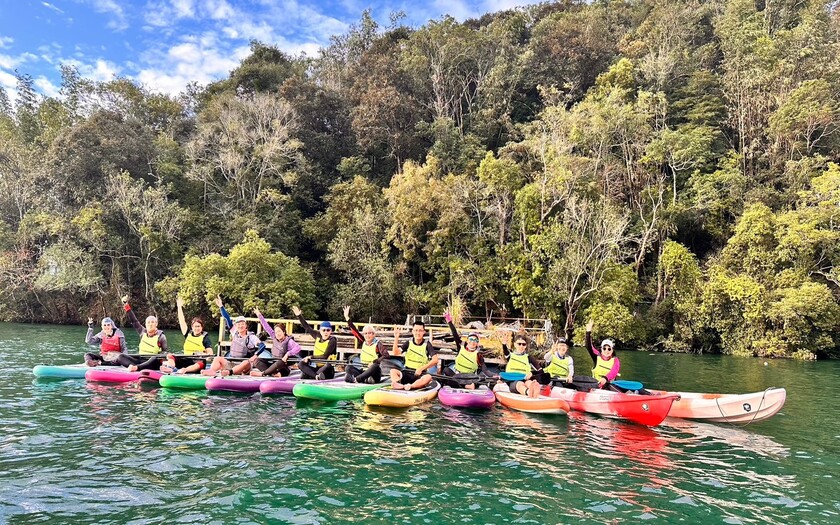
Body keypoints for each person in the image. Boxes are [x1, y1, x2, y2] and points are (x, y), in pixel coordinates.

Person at [202, 296, 264, 376]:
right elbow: (227, 318)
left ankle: (229, 372)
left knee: (246, 362)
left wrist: (255, 356)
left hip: (244, 367)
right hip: (232, 363)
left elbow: (262, 346)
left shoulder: (251, 337)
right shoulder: (234, 332)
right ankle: (212, 371)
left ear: (246, 326)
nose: (240, 326)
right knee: (217, 358)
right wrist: (221, 306)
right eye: (238, 324)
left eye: (242, 324)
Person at [441, 310, 494, 389]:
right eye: (471, 340)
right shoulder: (460, 347)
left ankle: (464, 386)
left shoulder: (478, 354)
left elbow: (485, 370)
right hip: (458, 376)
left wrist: (494, 375)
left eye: (475, 340)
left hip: (470, 377)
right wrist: (449, 322)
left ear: (477, 343)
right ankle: (463, 386)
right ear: (467, 340)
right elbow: (455, 333)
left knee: (481, 376)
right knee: (446, 370)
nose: (473, 342)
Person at [160, 296, 213, 374]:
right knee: (170, 355)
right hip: (186, 359)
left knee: (201, 363)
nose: (197, 328)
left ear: (202, 327)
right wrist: (179, 307)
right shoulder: (188, 334)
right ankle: (170, 368)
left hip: (197, 362)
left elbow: (210, 354)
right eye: (195, 326)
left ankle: (185, 370)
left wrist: (204, 354)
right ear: (192, 327)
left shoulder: (205, 338)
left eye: (198, 326)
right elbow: (182, 321)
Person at [342, 306, 392, 384]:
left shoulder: (378, 344)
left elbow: (386, 355)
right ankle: (365, 379)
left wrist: (375, 361)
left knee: (375, 366)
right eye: (365, 333)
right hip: (363, 370)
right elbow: (354, 330)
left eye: (369, 333)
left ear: (373, 334)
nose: (367, 335)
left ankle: (357, 379)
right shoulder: (363, 341)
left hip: (374, 372)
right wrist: (347, 317)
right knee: (348, 367)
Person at [249, 307, 302, 377]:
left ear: (284, 332)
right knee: (257, 361)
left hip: (282, 366)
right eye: (276, 332)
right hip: (273, 363)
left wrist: (288, 354)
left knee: (281, 363)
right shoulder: (274, 336)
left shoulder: (289, 341)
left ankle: (263, 373)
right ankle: (272, 373)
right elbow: (266, 326)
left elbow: (298, 348)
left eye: (279, 331)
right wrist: (259, 315)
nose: (278, 334)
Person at [123, 296, 168, 372]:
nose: (150, 324)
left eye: (152, 322)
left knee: (155, 357)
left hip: (152, 362)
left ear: (156, 324)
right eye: (148, 323)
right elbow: (134, 321)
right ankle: (138, 367)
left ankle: (136, 368)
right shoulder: (142, 331)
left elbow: (165, 351)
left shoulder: (161, 337)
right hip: (141, 360)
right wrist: (126, 305)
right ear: (146, 324)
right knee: (121, 356)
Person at [390, 320, 439, 391]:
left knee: (428, 377)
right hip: (407, 371)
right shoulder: (408, 342)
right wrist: (396, 338)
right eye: (416, 330)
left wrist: (421, 368)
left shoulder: (427, 344)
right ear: (412, 331)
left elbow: (435, 360)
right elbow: (395, 353)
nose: (418, 333)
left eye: (420, 331)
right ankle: (399, 385)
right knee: (393, 371)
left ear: (423, 332)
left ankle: (411, 386)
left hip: (419, 374)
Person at [292, 305, 337, 380]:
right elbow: (307, 327)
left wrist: (310, 357)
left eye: (328, 330)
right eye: (323, 330)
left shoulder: (332, 340)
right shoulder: (317, 335)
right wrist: (299, 316)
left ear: (331, 331)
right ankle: (316, 376)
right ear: (320, 331)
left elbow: (324, 356)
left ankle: (311, 375)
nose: (326, 332)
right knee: (301, 364)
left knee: (327, 365)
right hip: (318, 368)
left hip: (327, 370)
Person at [500, 331, 543, 399]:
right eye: (519, 344)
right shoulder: (510, 356)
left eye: (523, 344)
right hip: (513, 381)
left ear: (526, 346)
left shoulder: (529, 357)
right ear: (515, 344)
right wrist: (504, 344)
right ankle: (529, 392)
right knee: (520, 384)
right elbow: (506, 352)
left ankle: (534, 389)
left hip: (525, 379)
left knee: (529, 383)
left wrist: (531, 373)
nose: (521, 346)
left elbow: (541, 370)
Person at [585, 319, 620, 389]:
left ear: (612, 350)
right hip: (596, 385)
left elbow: (614, 371)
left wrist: (605, 378)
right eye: (604, 348)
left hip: (610, 385)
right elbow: (588, 346)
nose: (606, 351)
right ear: (601, 349)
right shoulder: (596, 356)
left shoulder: (616, 360)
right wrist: (588, 333)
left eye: (609, 349)